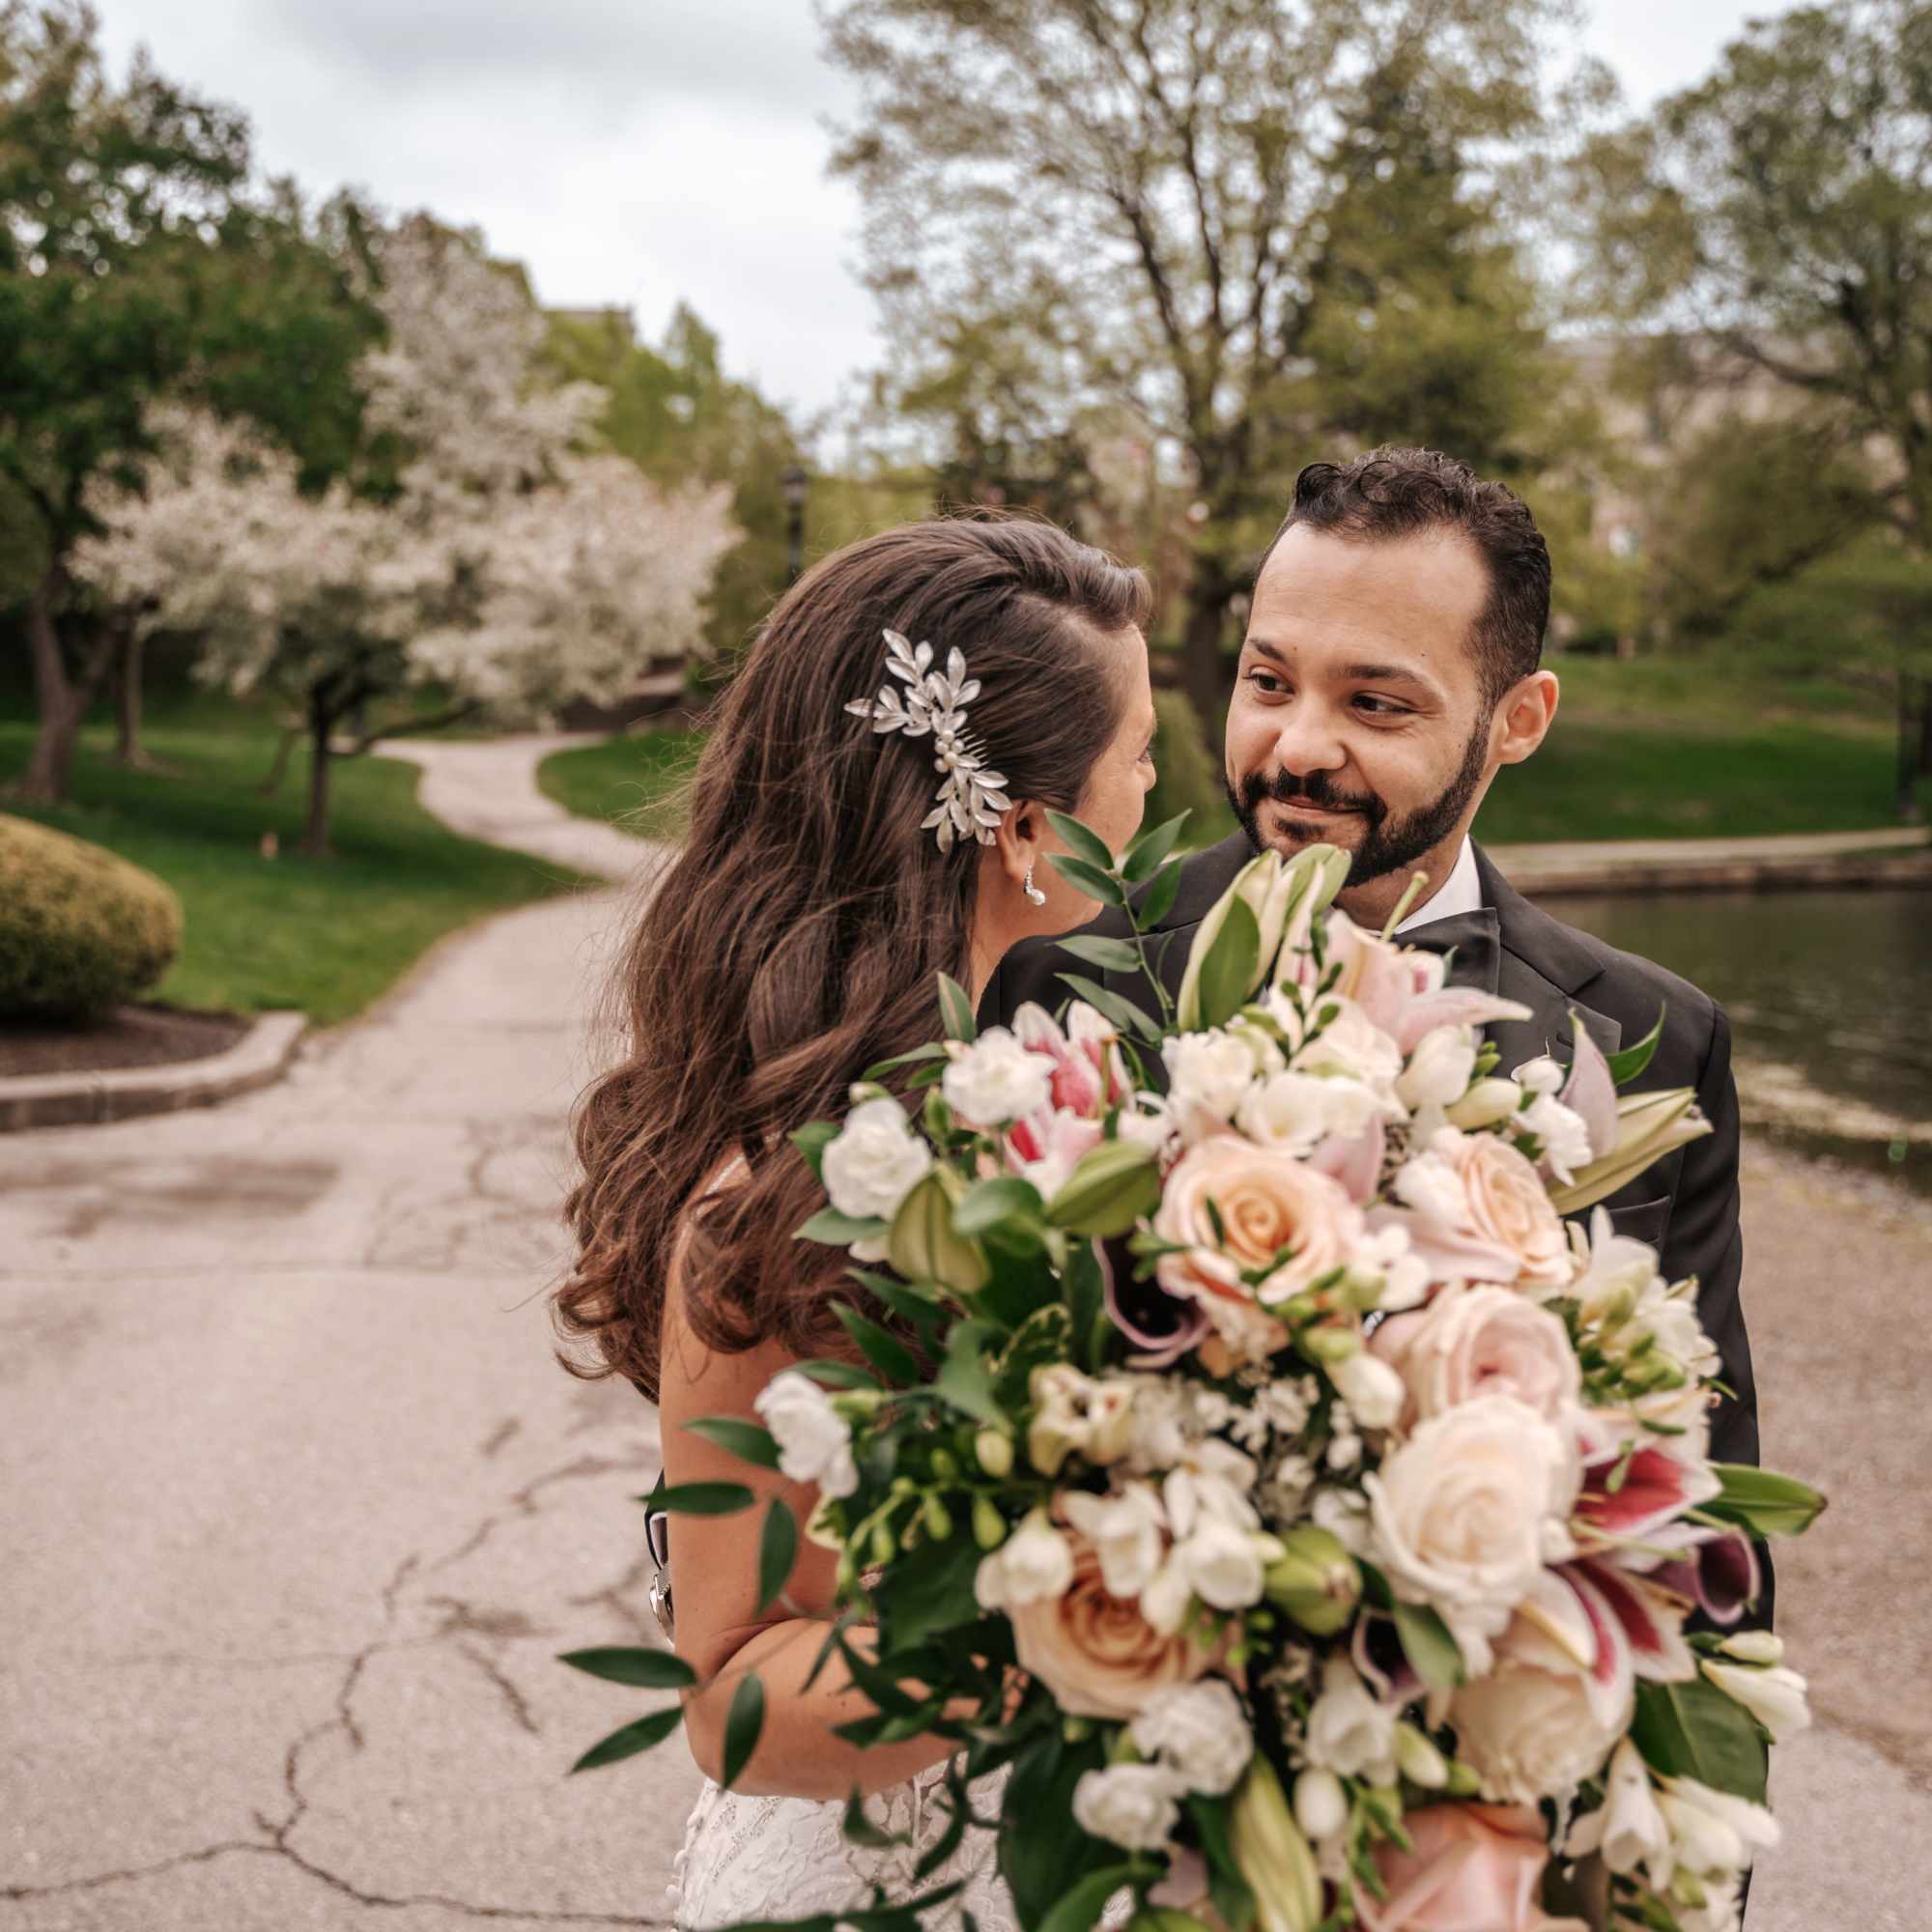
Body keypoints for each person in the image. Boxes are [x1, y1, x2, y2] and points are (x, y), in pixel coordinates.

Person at [985, 445, 1768, 1625]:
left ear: (1516, 721)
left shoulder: (1656, 1040)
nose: (1298, 746)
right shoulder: (1070, 981)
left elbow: (1699, 1516)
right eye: (1267, 681)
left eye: (1373, 703)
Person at [554, 516, 1159, 1929]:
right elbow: (734, 1694)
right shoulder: (771, 1198)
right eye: (1140, 759)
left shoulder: (1063, 1097)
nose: (1154, 794)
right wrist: (1101, 1607)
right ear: (1030, 831)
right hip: (896, 1878)